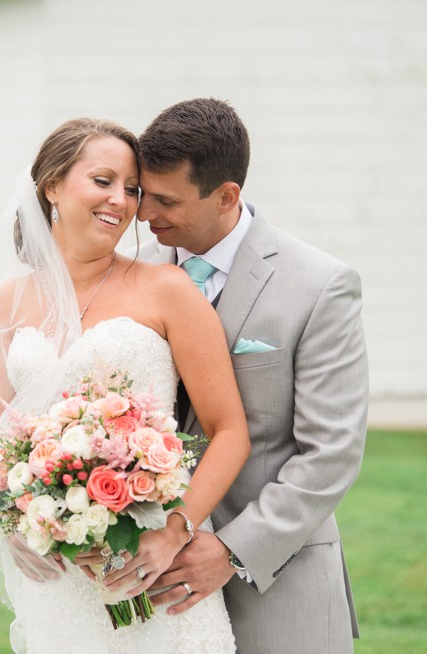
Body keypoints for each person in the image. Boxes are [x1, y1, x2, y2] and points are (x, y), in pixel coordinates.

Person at [0, 118, 250, 653]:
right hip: (61, 581)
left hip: (157, 570)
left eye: (131, 189)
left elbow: (230, 429)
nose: (122, 202)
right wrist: (14, 519)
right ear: (52, 185)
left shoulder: (166, 289)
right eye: (103, 181)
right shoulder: (8, 302)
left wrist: (172, 530)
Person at [136, 98, 368, 653]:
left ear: (226, 196)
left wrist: (232, 550)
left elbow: (330, 452)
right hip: (157, 589)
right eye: (145, 195)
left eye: (167, 201)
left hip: (278, 585)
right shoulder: (135, 273)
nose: (145, 215)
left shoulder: (320, 285)